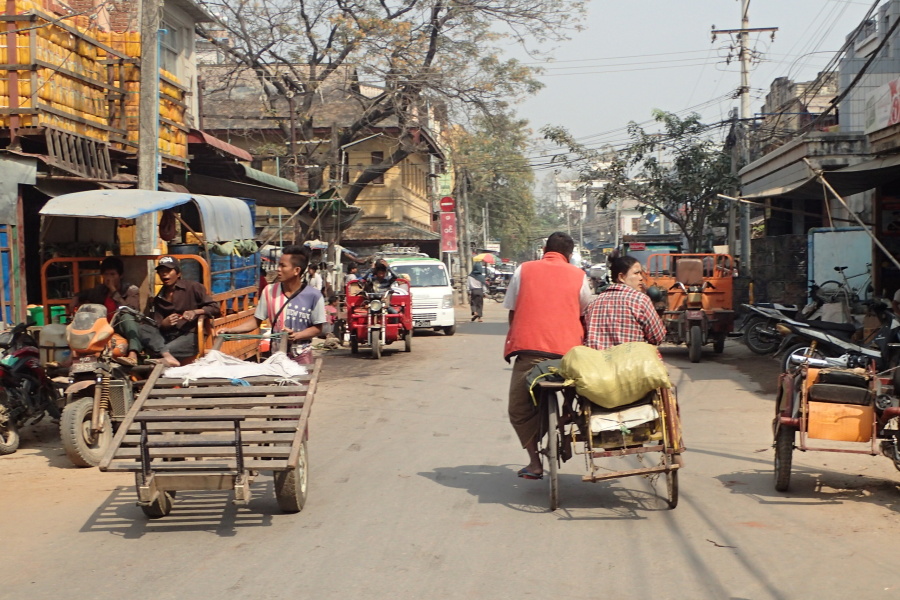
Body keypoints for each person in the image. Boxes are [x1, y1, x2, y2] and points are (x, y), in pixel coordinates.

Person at [503, 232, 594, 480]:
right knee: (581, 398)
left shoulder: (524, 270)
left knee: (519, 410)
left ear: (545, 249)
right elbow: (583, 311)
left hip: (530, 353)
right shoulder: (579, 276)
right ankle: (568, 414)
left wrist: (518, 336)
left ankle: (534, 463)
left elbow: (512, 311)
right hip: (567, 357)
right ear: (569, 255)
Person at [219, 246, 325, 364]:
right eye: (278, 265)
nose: (278, 269)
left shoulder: (314, 295)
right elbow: (256, 321)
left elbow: (318, 329)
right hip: (276, 357)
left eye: (283, 266)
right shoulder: (269, 291)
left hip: (301, 356)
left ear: (296, 270)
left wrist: (296, 335)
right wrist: (230, 330)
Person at [141, 255, 221, 367]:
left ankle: (165, 359)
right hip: (168, 336)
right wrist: (164, 324)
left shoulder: (193, 287)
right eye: (161, 271)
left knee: (162, 352)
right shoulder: (158, 298)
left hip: (191, 335)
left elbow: (215, 308)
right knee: (145, 334)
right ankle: (164, 361)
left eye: (168, 270)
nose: (164, 274)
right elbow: (156, 324)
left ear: (178, 273)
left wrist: (195, 312)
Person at [583, 255, 666, 351]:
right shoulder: (640, 300)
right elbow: (657, 337)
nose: (641, 278)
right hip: (630, 363)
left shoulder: (594, 303)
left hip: (599, 363)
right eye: (636, 273)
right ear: (621, 277)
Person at [72, 256, 142, 366]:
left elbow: (131, 311)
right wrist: (75, 298)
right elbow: (84, 293)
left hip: (121, 326)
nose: (108, 278)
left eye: (113, 274)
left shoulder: (131, 290)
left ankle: (133, 354)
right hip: (102, 327)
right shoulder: (100, 290)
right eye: (106, 274)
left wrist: (114, 291)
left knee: (127, 317)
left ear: (121, 275)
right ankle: (73, 356)